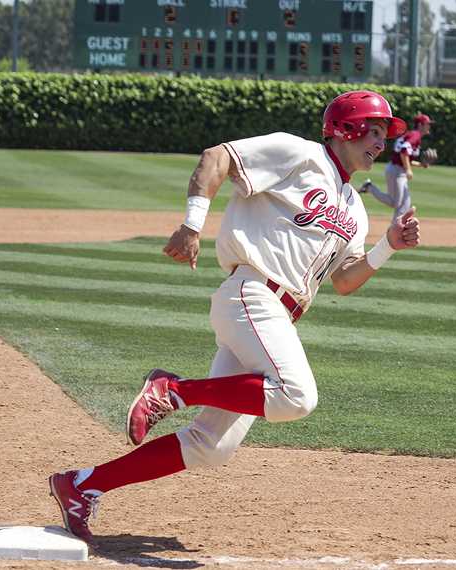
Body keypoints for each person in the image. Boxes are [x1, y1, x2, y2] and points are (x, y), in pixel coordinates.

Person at [47, 90, 421, 546]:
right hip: (252, 295)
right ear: (346, 128)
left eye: (385, 134)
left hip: (274, 318)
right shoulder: (299, 154)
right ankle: (172, 390)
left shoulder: (356, 210)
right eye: (375, 130)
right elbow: (216, 157)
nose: (382, 142)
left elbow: (343, 279)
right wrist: (191, 224)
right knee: (296, 397)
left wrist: (388, 248)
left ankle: (81, 486)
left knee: (211, 445)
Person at [357, 113, 434, 221]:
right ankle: (369, 187)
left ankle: (399, 229)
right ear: (421, 125)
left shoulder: (414, 135)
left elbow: (406, 157)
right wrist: (408, 170)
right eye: (427, 124)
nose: (429, 126)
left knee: (405, 203)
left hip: (398, 169)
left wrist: (421, 165)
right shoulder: (415, 135)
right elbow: (403, 151)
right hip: (397, 171)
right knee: (396, 203)